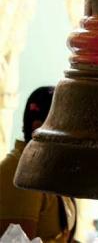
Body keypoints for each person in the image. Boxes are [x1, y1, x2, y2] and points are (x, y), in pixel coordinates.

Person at [0, 86, 77, 242]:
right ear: (38, 128)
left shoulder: (49, 170)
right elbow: (17, 240)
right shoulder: (20, 174)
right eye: (69, 125)